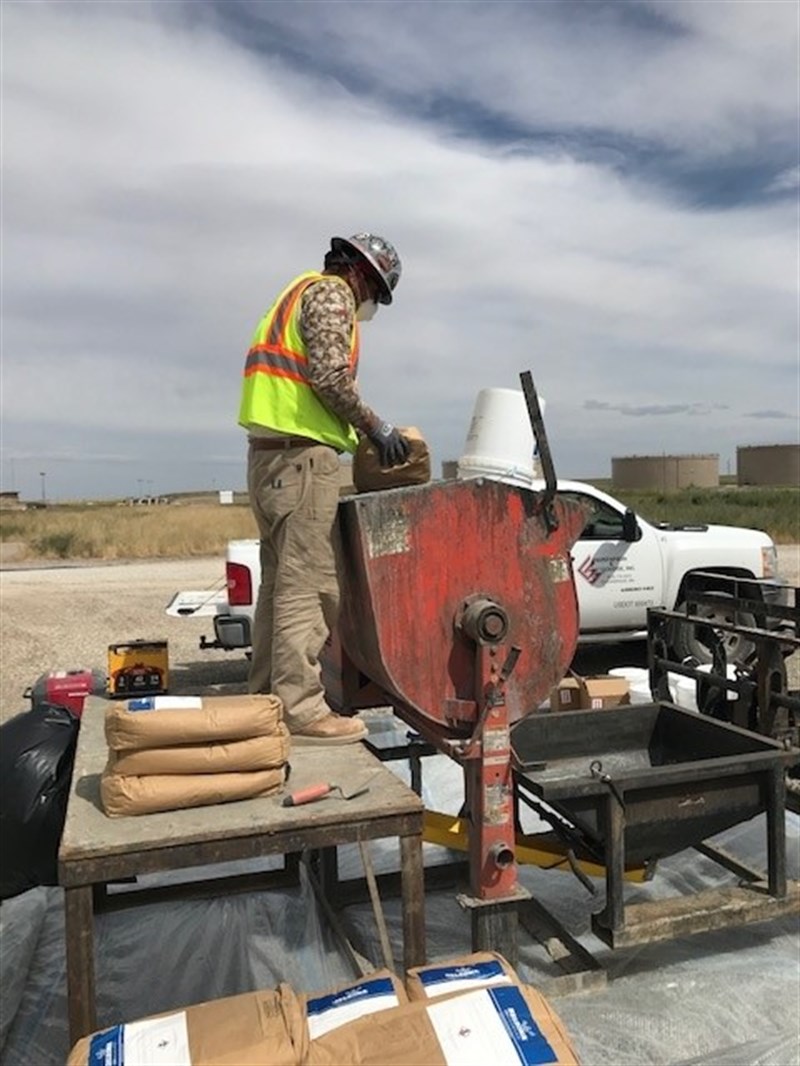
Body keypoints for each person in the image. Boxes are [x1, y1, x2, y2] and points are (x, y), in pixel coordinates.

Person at [238, 233, 410, 745]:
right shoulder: (333, 293)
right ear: (362, 274)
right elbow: (331, 378)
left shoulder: (293, 293)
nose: (369, 306)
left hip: (269, 459)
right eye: (375, 294)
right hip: (303, 462)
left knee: (278, 587)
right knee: (309, 586)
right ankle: (302, 710)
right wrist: (376, 428)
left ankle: (267, 700)